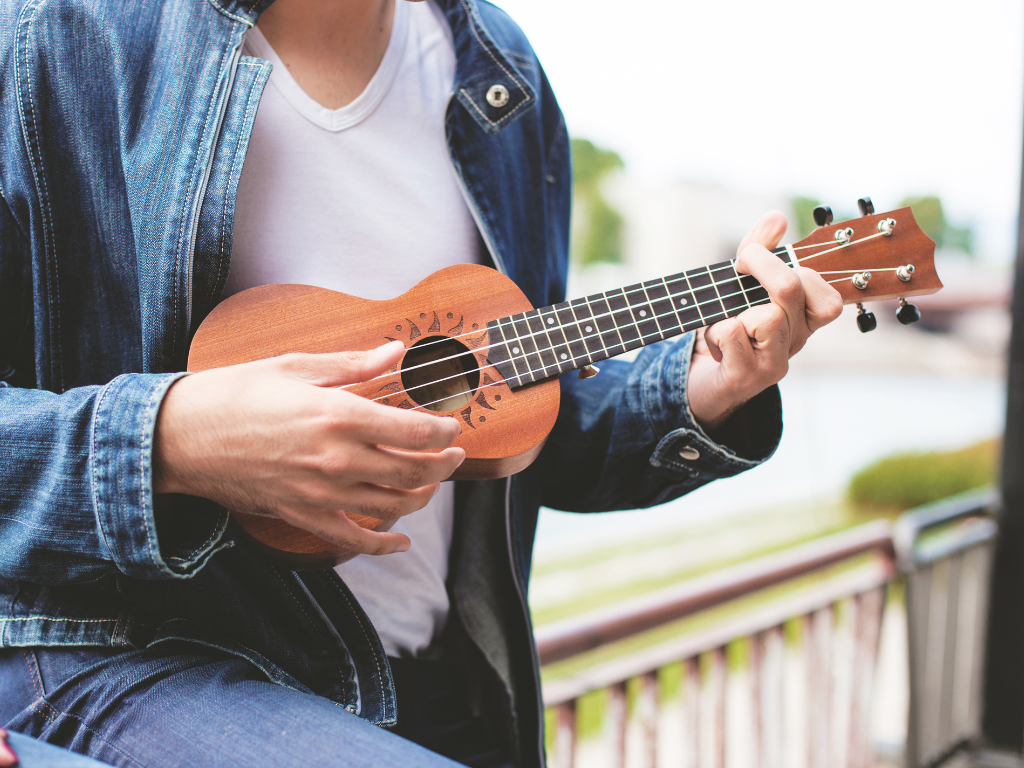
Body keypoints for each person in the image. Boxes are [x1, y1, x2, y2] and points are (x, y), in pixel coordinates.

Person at [0, 0, 842, 766]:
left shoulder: (496, 71)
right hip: (126, 661)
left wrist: (704, 386)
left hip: (440, 687)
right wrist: (173, 442)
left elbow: (509, 416)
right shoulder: (55, 34)